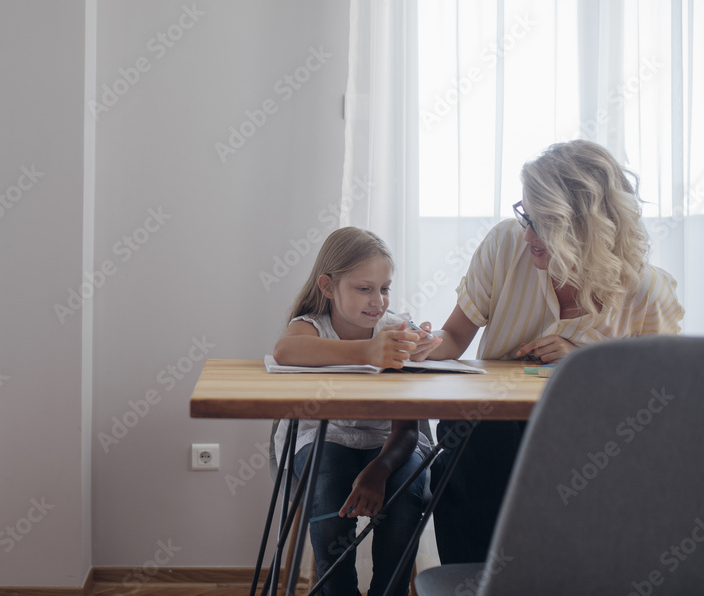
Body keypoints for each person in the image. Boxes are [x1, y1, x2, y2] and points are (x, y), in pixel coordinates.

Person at [425, 139, 685, 564]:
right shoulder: (506, 245)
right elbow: (453, 338)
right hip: (489, 430)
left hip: (587, 440)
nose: (527, 235)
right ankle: (477, 583)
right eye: (526, 216)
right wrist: (418, 343)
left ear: (587, 226)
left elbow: (662, 404)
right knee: (469, 431)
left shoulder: (646, 291)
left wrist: (582, 361)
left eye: (543, 223)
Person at [271, 226, 443, 596]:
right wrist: (367, 353)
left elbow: (408, 432)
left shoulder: (395, 330)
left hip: (391, 443)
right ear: (328, 286)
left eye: (384, 288)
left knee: (405, 499)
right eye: (364, 288)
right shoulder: (310, 328)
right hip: (324, 440)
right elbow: (286, 352)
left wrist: (379, 470)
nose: (377, 301)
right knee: (329, 493)